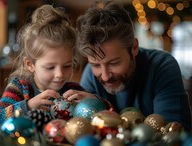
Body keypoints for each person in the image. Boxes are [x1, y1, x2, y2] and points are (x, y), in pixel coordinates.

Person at [66, 0, 192, 130]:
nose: (104, 77)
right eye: (96, 65)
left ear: (134, 48)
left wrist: (100, 106)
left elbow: (172, 134)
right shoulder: (90, 74)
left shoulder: (162, 66)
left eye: (114, 63)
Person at [0, 4, 90, 125]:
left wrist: (94, 101)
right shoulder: (20, 88)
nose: (60, 74)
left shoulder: (73, 91)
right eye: (50, 67)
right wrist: (28, 106)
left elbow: (107, 114)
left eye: (67, 66)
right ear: (30, 64)